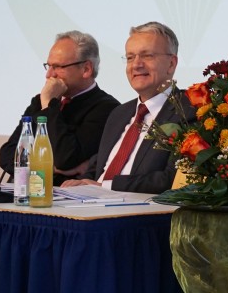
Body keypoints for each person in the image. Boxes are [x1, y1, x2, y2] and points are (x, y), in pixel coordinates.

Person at [62, 22, 195, 194]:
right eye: (130, 57)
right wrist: (75, 187)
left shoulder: (189, 111)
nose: (136, 65)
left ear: (171, 64)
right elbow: (98, 169)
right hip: (92, 205)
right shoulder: (119, 113)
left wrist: (105, 187)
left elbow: (173, 180)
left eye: (147, 56)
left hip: (139, 214)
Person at [0, 30, 120, 185]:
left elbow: (65, 158)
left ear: (86, 69)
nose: (49, 74)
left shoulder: (107, 108)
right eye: (48, 66)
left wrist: (49, 106)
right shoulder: (40, 101)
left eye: (57, 67)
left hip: (62, 200)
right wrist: (50, 167)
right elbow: (7, 155)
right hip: (24, 191)